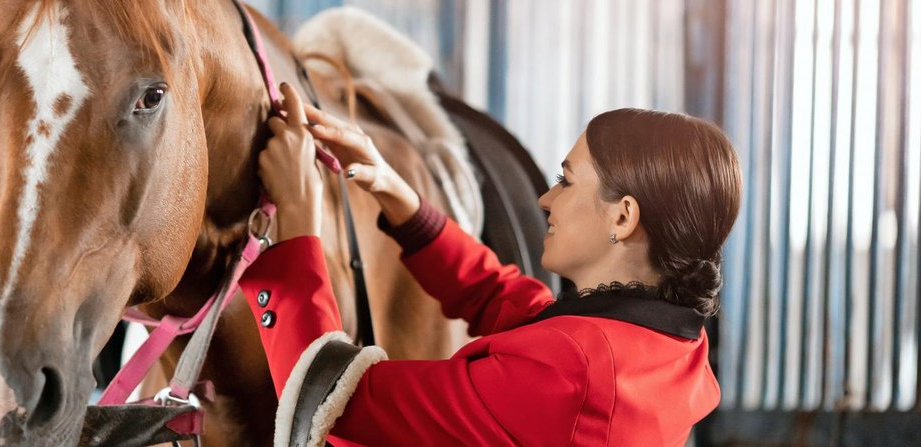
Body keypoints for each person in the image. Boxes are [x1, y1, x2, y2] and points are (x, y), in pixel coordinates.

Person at [239, 83, 742, 446]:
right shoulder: (667, 342)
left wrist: (299, 227)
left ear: (623, 215)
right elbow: (517, 307)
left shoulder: (573, 373)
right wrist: (398, 197)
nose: (546, 199)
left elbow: (335, 405)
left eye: (566, 181)